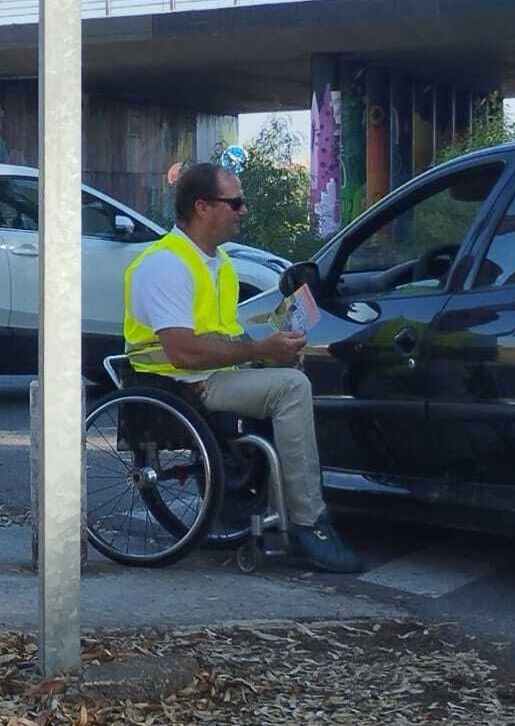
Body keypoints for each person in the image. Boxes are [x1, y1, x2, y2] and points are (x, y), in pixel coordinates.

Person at [123, 161, 362, 573]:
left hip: (210, 376)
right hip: (180, 386)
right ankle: (308, 523)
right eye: (235, 203)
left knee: (299, 375)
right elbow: (183, 351)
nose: (243, 211)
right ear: (203, 207)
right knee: (291, 388)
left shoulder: (218, 264)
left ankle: (270, 501)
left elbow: (222, 335)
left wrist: (274, 344)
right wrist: (262, 352)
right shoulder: (165, 265)